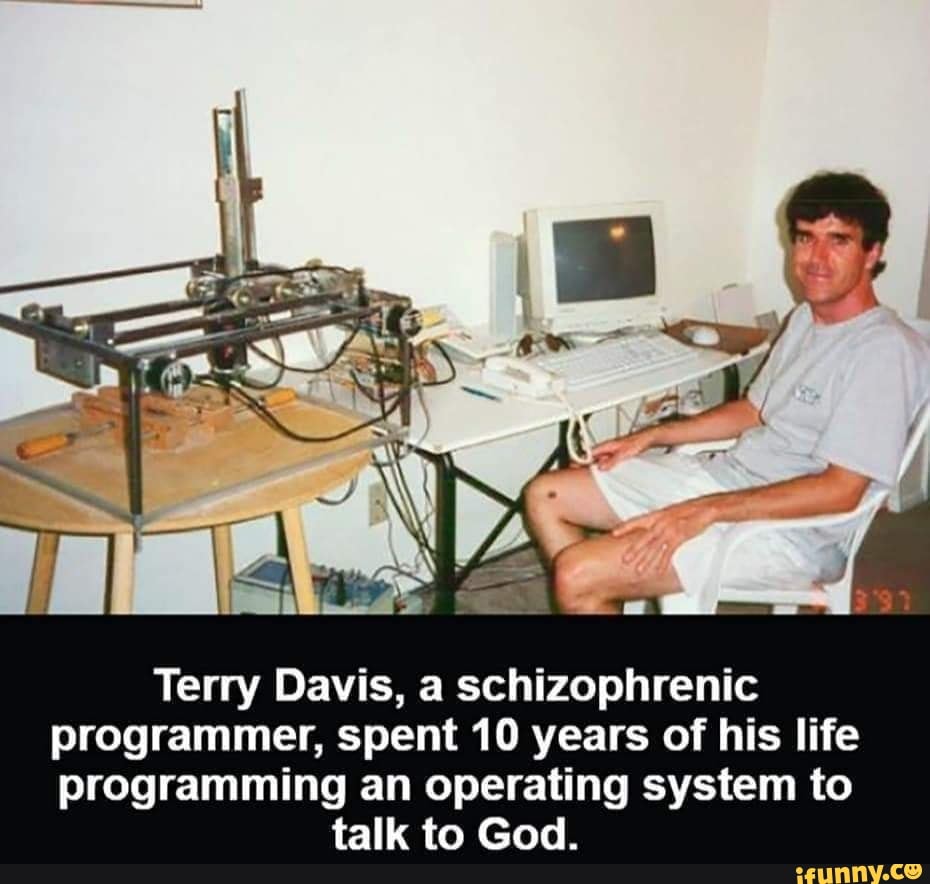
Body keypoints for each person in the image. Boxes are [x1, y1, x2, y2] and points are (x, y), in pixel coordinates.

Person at [523, 171, 930, 613]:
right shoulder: (805, 318)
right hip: (727, 480)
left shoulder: (883, 352)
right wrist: (654, 436)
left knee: (576, 574)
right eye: (805, 238)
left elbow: (841, 490)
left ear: (873, 252)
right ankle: (602, 597)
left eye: (839, 241)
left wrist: (706, 511)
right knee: (545, 495)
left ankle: (596, 594)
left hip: (792, 533)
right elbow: (755, 410)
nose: (816, 257)